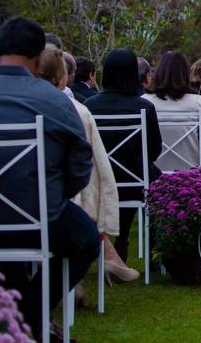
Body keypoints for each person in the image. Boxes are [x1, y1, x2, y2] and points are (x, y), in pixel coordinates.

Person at [0, 17, 99, 338]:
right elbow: (80, 168)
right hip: (38, 219)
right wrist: (53, 195)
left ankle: (10, 316)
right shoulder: (56, 101)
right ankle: (28, 317)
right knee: (85, 240)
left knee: (10, 257)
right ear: (37, 59)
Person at [35, 44, 136, 293]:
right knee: (82, 196)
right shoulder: (77, 111)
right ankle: (104, 256)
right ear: (62, 76)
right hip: (60, 203)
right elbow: (90, 169)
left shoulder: (91, 105)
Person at [85, 49, 163, 265]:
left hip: (98, 180)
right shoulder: (144, 107)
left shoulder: (89, 106)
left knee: (126, 173)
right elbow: (155, 150)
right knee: (152, 177)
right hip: (136, 183)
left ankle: (117, 242)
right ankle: (150, 247)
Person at [143, 51, 201, 171]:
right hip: (192, 179)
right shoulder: (199, 102)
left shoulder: (144, 102)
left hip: (152, 179)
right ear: (186, 74)